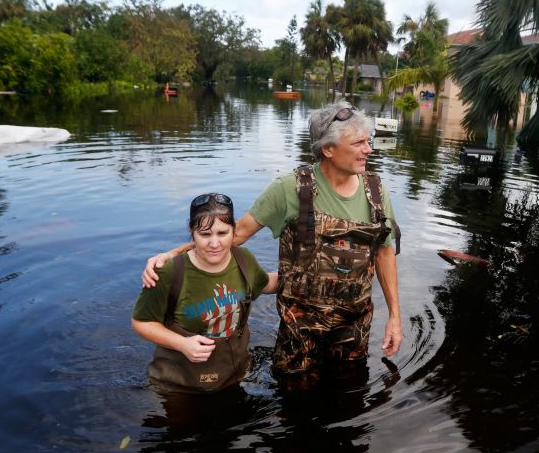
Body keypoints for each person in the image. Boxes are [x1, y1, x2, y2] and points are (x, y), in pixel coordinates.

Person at [142, 102, 402, 385]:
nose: (369, 149)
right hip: (299, 331)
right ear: (328, 149)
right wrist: (172, 254)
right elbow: (236, 234)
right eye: (358, 143)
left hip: (354, 327)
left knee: (349, 395)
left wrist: (394, 317)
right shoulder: (291, 188)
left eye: (368, 141)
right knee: (292, 399)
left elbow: (385, 253)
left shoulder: (376, 192)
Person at [132, 193, 277, 393]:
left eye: (223, 233)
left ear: (234, 231)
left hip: (235, 375)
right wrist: (182, 344)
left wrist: (306, 276)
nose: (215, 243)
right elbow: (142, 322)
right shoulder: (168, 272)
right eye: (205, 234)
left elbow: (266, 283)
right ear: (192, 232)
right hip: (181, 386)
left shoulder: (244, 259)